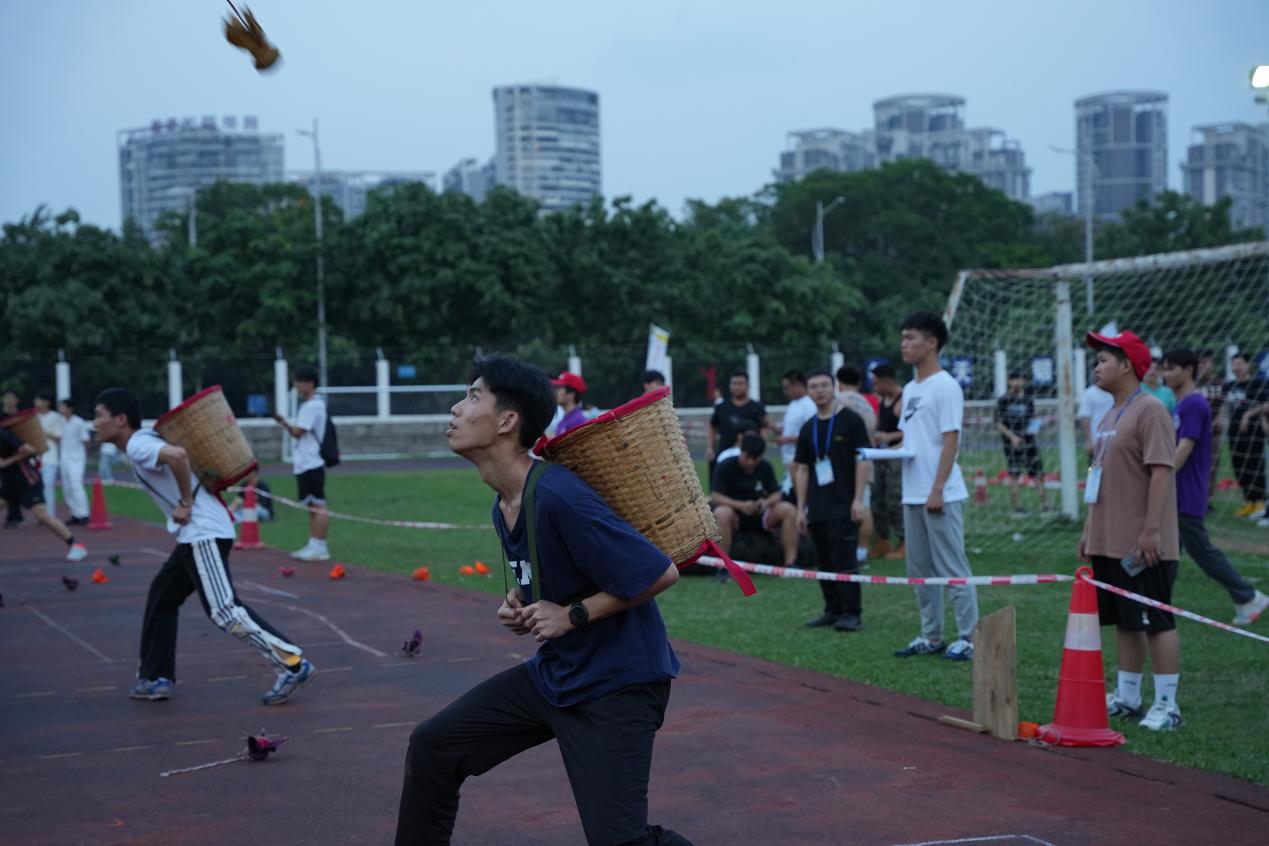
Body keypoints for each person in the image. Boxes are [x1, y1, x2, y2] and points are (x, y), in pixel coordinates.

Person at [395, 354, 692, 845]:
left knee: (620, 841)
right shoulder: (505, 502)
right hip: (560, 674)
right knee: (434, 747)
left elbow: (660, 571)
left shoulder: (557, 493)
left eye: (472, 397)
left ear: (507, 421)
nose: (455, 407)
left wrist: (572, 615)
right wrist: (520, 604)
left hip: (618, 683)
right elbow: (551, 578)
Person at [94, 388, 315, 705]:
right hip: (194, 535)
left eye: (99, 415)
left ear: (120, 419)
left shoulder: (139, 443)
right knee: (162, 597)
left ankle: (292, 664)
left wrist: (185, 502)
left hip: (203, 533)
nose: (94, 423)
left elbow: (178, 456)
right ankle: (156, 677)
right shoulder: (139, 443)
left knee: (224, 610)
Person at [1078, 329, 1182, 731]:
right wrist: (1090, 528)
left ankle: (1169, 706)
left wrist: (1152, 531)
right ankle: (1128, 696)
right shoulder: (1108, 414)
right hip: (1108, 538)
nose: (1097, 366)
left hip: (1143, 541)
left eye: (1103, 359)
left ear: (1126, 366)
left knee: (1157, 620)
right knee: (1125, 620)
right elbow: (1097, 477)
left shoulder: (1150, 409)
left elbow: (1161, 471)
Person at [892, 312, 978, 661]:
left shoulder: (945, 385)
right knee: (920, 571)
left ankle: (969, 637)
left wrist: (938, 488)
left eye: (911, 337)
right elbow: (913, 441)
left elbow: (949, 440)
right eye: (903, 337)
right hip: (912, 492)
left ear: (932, 343)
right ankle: (930, 635)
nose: (904, 344)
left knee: (952, 566)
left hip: (939, 493)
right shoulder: (911, 389)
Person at [1161, 349, 1268, 626]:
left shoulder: (1194, 404)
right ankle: (1158, 604)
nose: (1165, 374)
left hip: (1186, 494)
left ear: (1188, 370)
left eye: (1171, 368)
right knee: (1168, 551)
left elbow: (1185, 447)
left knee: (1202, 552)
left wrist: (1159, 477)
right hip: (1177, 492)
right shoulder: (1182, 403)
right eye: (1164, 368)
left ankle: (1248, 596)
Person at [793, 369, 872, 631]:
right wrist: (801, 508)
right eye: (813, 386)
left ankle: (853, 613)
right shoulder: (808, 427)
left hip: (843, 503)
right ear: (808, 391)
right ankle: (832, 609)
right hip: (817, 506)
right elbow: (802, 468)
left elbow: (862, 460)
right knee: (824, 561)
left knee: (844, 559)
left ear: (834, 387)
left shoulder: (851, 421)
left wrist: (858, 500)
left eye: (824, 385)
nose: (819, 390)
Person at [711, 433, 800, 569]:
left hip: (761, 514)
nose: (751, 462)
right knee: (721, 513)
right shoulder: (726, 466)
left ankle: (791, 563)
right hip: (735, 515)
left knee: (789, 509)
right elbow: (716, 496)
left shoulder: (765, 467)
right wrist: (741, 506)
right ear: (741, 451)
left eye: (755, 458)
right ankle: (723, 566)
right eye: (747, 457)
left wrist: (766, 502)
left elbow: (777, 494)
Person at [0, 424, 86, 561]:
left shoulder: (3, 435)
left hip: (27, 480)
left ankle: (76, 545)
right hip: (9, 483)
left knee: (43, 516)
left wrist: (6, 462)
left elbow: (30, 450)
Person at [272, 366, 330, 561]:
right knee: (312, 505)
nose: (296, 386)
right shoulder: (313, 405)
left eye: (299, 382)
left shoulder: (312, 406)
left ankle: (320, 548)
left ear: (310, 383)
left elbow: (298, 432)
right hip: (307, 462)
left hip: (311, 461)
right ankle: (314, 544)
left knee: (318, 505)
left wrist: (283, 421)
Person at [836, 364, 877, 564]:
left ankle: (846, 548)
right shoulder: (868, 404)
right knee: (865, 504)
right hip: (867, 459)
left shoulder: (839, 401)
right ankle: (862, 551)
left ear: (838, 383)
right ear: (859, 382)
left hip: (845, 461)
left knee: (845, 504)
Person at [995, 370, 1050, 517]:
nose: (1017, 383)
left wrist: (1036, 426)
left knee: (1038, 472)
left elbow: (1032, 418)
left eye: (1019, 379)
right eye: (1014, 379)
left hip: (1029, 442)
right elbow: (999, 423)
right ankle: (1017, 508)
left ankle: (1046, 506)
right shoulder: (1003, 400)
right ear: (1009, 382)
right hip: (1012, 444)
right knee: (1014, 474)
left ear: (1024, 381)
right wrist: (1012, 437)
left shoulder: (1028, 399)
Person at [1223, 353, 1267, 519]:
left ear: (1248, 365)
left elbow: (1265, 405)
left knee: (1254, 464)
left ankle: (1260, 502)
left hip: (1254, 432)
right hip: (1234, 433)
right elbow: (1227, 406)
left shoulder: (1258, 383)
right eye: (1234, 364)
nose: (1236, 368)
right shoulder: (1229, 386)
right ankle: (1250, 502)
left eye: (1239, 364)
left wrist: (1248, 415)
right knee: (1238, 465)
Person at [706, 371, 770, 484]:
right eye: (734, 383)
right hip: (724, 452)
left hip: (748, 455)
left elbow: (764, 429)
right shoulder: (721, 407)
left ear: (747, 385)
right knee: (718, 486)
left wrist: (761, 449)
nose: (737, 387)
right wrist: (710, 447)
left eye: (741, 383)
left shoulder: (757, 407)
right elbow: (712, 426)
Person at [870, 363, 905, 560]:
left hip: (896, 456)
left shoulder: (903, 400)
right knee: (877, 498)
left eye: (877, 383)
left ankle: (903, 540)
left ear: (887, 381)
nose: (874, 387)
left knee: (895, 498)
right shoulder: (881, 399)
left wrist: (888, 437)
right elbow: (878, 424)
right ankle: (882, 540)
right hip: (880, 456)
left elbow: (911, 431)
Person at [774, 369, 816, 494]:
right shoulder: (793, 404)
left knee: (801, 495)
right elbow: (791, 429)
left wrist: (787, 439)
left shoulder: (808, 405)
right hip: (789, 460)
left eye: (787, 387)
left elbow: (811, 435)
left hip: (800, 460)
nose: (786, 392)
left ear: (797, 384)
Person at [1196, 350, 1225, 507]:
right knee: (1196, 465)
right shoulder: (1193, 383)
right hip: (1196, 430)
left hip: (1213, 430)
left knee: (1212, 465)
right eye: (1201, 362)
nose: (1204, 365)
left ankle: (1208, 500)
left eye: (1207, 362)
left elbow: (1221, 407)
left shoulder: (1218, 383)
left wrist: (1218, 420)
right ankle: (1197, 497)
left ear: (1212, 364)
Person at [57, 398, 91, 525]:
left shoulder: (78, 422)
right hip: (64, 458)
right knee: (67, 487)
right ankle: (75, 513)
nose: (60, 409)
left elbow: (86, 441)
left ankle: (84, 513)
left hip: (77, 459)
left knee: (76, 485)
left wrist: (83, 457)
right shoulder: (61, 422)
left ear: (70, 408)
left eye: (63, 407)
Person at [34, 389, 62, 515]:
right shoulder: (33, 417)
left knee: (48, 485)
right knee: (37, 487)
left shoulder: (55, 417)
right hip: (34, 457)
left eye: (39, 400)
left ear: (46, 402)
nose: (36, 402)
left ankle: (50, 514)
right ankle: (41, 514)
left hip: (50, 457)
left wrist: (43, 433)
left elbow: (58, 438)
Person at [1077, 379, 1115, 461]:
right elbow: (1085, 418)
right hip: (1097, 441)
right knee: (1096, 470)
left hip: (1115, 439)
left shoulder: (1115, 392)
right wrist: (1089, 441)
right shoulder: (1089, 393)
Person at [2, 389, 22, 528]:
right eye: (6, 397)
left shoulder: (20, 416)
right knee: (5, 487)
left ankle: (15, 516)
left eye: (11, 397)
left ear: (17, 400)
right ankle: (13, 516)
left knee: (15, 486)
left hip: (19, 455)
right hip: (3, 457)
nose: (9, 400)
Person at [550, 371, 589, 437]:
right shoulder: (565, 420)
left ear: (571, 394)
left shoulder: (579, 422)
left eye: (559, 388)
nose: (555, 392)